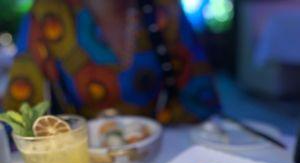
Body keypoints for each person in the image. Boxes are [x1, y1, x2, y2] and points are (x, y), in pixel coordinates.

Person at [3, 0, 220, 124]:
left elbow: (201, 99)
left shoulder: (163, 7)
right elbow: (19, 116)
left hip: (162, 155)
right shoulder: (49, 12)